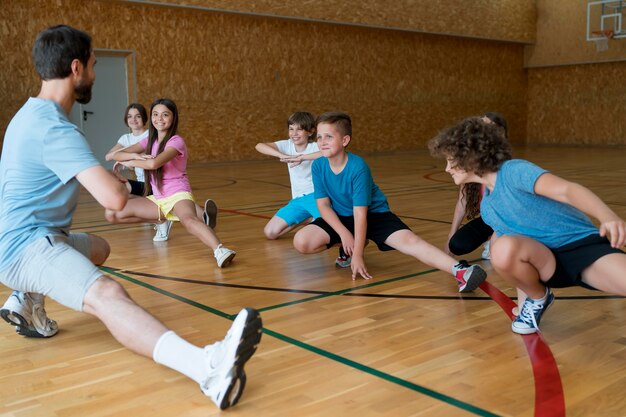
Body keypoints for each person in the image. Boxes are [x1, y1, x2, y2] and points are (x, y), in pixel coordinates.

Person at [0, 25, 261, 410]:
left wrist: (121, 180)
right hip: (25, 248)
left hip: (38, 236)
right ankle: (207, 369)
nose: (94, 72)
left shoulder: (29, 115)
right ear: (75, 68)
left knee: (99, 248)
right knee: (108, 294)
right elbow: (115, 199)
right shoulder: (55, 129)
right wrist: (120, 187)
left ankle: (26, 300)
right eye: (92, 64)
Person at [429, 116, 626, 334]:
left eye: (451, 160)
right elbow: (513, 254)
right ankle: (538, 298)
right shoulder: (488, 207)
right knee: (499, 245)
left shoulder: (513, 171)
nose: (447, 168)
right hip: (547, 264)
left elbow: (567, 190)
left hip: (581, 248)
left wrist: (606, 215)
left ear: (471, 156)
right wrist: (526, 303)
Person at [293, 112, 487, 293]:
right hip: (341, 217)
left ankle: (460, 270)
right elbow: (324, 206)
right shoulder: (318, 165)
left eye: (328, 137)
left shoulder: (358, 167)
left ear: (345, 140)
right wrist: (344, 235)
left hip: (374, 215)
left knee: (411, 242)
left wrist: (359, 254)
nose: (322, 142)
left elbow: (361, 215)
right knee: (302, 242)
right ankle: (347, 250)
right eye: (319, 137)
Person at [105, 98, 236, 268]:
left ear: (173, 118)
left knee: (189, 220)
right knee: (112, 214)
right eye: (155, 114)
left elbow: (153, 163)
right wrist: (136, 156)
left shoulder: (176, 142)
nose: (159, 118)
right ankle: (160, 220)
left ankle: (220, 250)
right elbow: (116, 154)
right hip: (158, 198)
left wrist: (131, 162)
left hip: (177, 193)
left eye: (165, 114)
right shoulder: (148, 141)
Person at [104, 104, 172, 243]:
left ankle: (160, 217)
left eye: (138, 116)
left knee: (124, 199)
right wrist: (132, 154)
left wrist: (126, 156)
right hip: (142, 183)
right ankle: (158, 218)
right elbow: (109, 156)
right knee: (113, 183)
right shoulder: (126, 138)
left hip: (154, 183)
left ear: (145, 118)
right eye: (130, 116)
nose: (133, 120)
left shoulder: (150, 135)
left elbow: (147, 152)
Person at [445, 112, 507, 260]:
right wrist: (451, 234)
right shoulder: (471, 164)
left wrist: (496, 240)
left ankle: (502, 240)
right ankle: (492, 237)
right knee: (457, 244)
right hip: (489, 219)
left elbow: (509, 212)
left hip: (510, 221)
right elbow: (462, 202)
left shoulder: (505, 167)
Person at [255, 112, 322, 239]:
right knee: (270, 233)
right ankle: (308, 219)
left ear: (310, 131)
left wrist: (302, 158)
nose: (294, 133)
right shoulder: (287, 145)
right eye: (291, 129)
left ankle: (314, 218)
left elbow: (328, 152)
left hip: (316, 197)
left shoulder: (314, 147)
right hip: (297, 200)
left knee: (327, 230)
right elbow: (259, 146)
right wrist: (281, 155)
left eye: (299, 129)